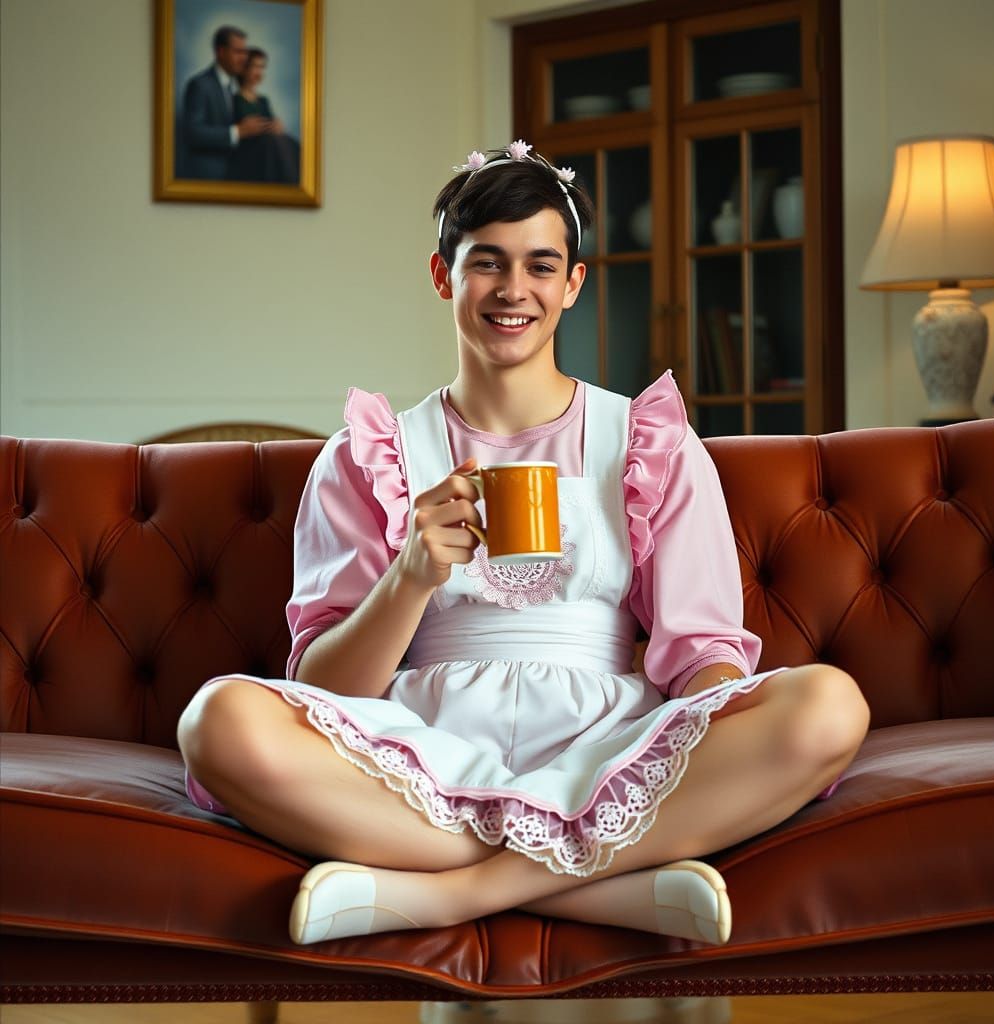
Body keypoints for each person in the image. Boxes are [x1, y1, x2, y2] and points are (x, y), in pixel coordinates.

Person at [177, 141, 870, 947]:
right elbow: (327, 689)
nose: (514, 291)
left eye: (542, 266)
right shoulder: (369, 456)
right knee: (217, 720)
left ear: (573, 284)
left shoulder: (648, 441)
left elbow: (701, 654)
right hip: (419, 754)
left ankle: (450, 893)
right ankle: (607, 882)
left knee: (828, 706)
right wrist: (411, 574)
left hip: (607, 745)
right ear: (443, 276)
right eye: (487, 264)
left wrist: (715, 730)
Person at [180, 26, 270, 180]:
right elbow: (192, 133)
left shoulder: (234, 86)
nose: (244, 58)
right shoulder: (200, 84)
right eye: (238, 52)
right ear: (220, 52)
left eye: (245, 52)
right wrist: (237, 132)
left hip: (237, 173)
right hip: (209, 178)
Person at [227, 47, 300, 185]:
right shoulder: (233, 99)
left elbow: (271, 125)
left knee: (290, 142)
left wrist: (277, 126)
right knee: (274, 142)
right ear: (244, 68)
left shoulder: (263, 101)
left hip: (269, 149)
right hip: (249, 154)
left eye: (262, 67)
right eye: (255, 67)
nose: (260, 72)